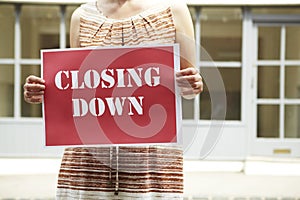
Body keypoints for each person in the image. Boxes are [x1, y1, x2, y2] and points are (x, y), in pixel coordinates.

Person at [24, 0, 203, 199]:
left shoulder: (174, 10)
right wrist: (46, 92)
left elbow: (188, 87)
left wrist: (192, 84)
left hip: (150, 164)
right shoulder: (81, 16)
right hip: (88, 164)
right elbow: (76, 87)